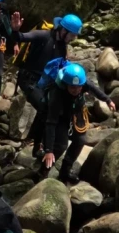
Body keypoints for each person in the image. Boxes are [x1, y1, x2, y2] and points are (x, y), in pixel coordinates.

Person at [13, 13, 83, 153]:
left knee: (55, 105)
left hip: (45, 81)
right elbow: (22, 37)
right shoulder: (43, 36)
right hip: (28, 80)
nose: (74, 38)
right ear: (63, 31)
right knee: (45, 107)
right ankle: (37, 143)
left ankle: (38, 140)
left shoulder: (62, 45)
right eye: (72, 35)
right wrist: (15, 30)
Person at [42, 61, 111, 184]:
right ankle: (43, 172)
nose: (76, 90)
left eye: (78, 87)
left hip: (75, 113)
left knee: (80, 140)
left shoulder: (82, 82)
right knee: (61, 145)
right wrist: (49, 150)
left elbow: (95, 89)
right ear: (66, 84)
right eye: (72, 87)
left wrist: (108, 100)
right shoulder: (56, 95)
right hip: (60, 117)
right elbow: (50, 123)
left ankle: (65, 172)